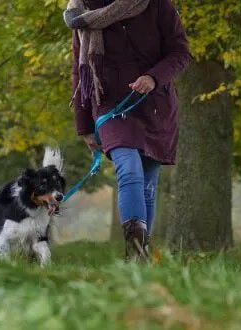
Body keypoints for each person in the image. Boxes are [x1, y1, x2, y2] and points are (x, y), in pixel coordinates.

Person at [64, 0, 191, 260]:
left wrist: (154, 77)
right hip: (109, 105)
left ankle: (140, 260)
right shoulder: (81, 14)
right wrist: (84, 126)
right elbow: (80, 72)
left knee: (147, 184)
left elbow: (180, 52)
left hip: (155, 104)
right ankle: (135, 252)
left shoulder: (156, 5)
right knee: (129, 168)